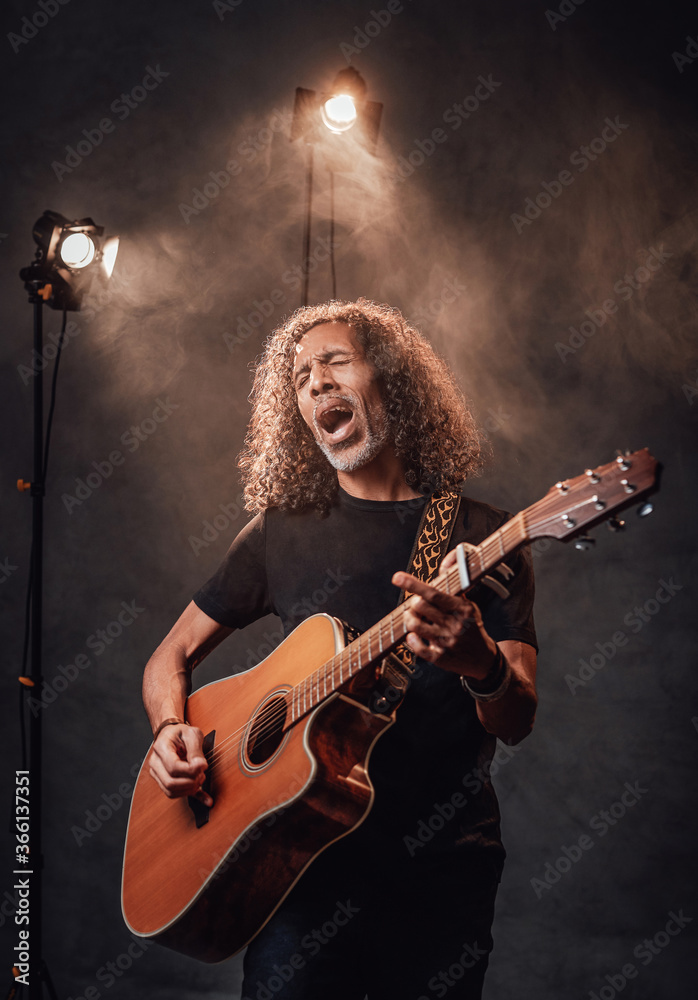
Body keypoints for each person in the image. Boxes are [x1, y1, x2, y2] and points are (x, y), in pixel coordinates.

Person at [142, 298, 538, 999]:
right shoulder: (278, 533)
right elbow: (167, 659)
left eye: (335, 362)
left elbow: (517, 717)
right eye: (299, 377)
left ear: (390, 380)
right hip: (298, 866)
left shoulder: (482, 536)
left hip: (441, 869)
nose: (316, 382)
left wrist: (479, 662)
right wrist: (172, 730)